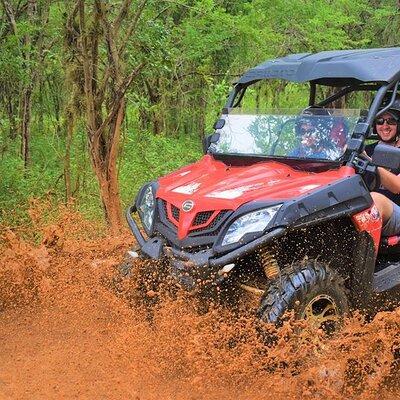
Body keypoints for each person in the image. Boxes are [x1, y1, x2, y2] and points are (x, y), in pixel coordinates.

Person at [365, 107, 400, 236]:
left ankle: (362, 255)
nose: (385, 125)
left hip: (396, 210)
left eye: (391, 121)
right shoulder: (366, 150)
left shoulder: (365, 156)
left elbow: (397, 186)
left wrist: (370, 163)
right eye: (380, 121)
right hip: (366, 208)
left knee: (375, 199)